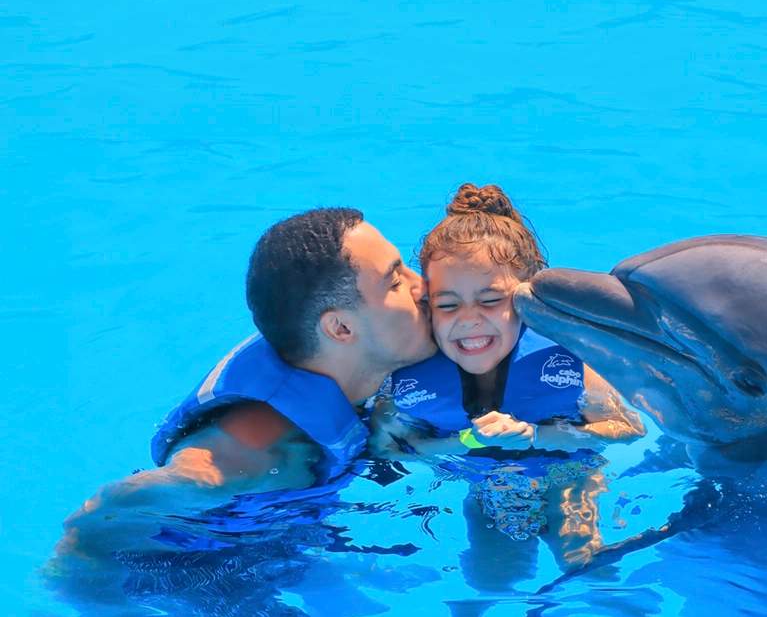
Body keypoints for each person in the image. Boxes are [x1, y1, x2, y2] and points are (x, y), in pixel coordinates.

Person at [60, 208, 433, 564]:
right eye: (397, 280)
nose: (424, 286)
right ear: (340, 329)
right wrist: (108, 611)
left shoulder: (359, 376)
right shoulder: (256, 452)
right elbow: (106, 513)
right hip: (181, 584)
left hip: (271, 552)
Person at [370, 183, 643, 580]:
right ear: (427, 304)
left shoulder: (569, 365)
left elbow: (628, 429)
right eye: (447, 305)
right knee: (490, 581)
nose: (469, 319)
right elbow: (387, 451)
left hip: (570, 475)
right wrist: (469, 441)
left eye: (492, 300)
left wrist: (536, 436)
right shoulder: (406, 385)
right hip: (483, 485)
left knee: (582, 563)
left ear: (526, 298)